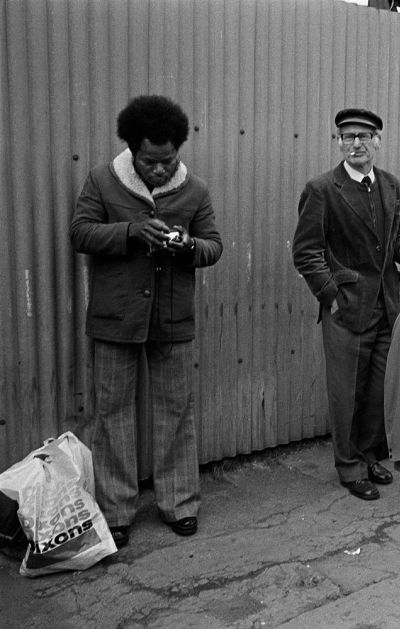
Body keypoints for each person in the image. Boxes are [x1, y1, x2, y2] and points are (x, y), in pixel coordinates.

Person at [70, 95, 223, 548]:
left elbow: (214, 245)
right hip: (115, 318)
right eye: (148, 161)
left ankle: (179, 504)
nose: (158, 170)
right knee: (112, 413)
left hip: (173, 319)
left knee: (176, 411)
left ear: (179, 150)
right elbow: (79, 233)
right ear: (132, 149)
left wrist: (189, 247)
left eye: (167, 160)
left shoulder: (195, 190)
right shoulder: (102, 180)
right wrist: (131, 232)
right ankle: (116, 512)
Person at [292, 108, 400, 501]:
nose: (356, 144)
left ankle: (369, 455)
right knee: (346, 393)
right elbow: (306, 253)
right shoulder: (321, 190)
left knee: (377, 390)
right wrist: (332, 296)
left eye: (364, 137)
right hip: (346, 310)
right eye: (348, 137)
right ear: (338, 142)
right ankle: (349, 466)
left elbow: (398, 237)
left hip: (387, 306)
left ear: (378, 142)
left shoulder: (392, 185)